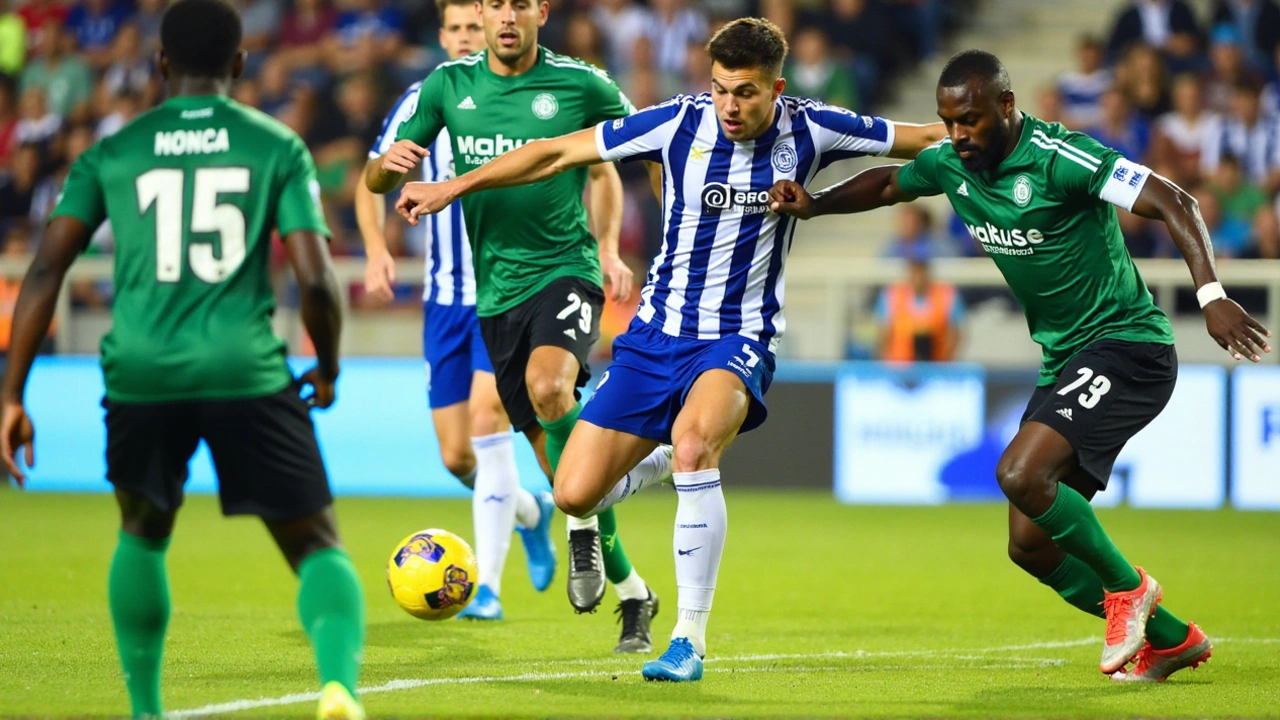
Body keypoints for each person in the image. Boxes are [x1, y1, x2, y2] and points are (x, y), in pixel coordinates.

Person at [393, 16, 946, 681]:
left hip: (738, 336)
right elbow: (555, 153)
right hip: (655, 338)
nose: (730, 107)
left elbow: (924, 139)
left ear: (777, 86)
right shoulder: (676, 122)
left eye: (745, 92)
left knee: (696, 448)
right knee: (573, 494)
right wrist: (454, 185)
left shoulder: (814, 126)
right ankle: (653, 463)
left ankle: (688, 638)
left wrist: (1011, 142)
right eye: (720, 90)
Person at [770, 49, 1272, 683]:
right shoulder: (954, 162)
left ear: (1007, 107)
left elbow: (1175, 201)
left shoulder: (1062, 158)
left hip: (1128, 345)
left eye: (972, 120)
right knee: (1029, 545)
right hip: (1065, 358)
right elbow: (891, 182)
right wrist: (815, 204)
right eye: (948, 122)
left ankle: (1130, 591)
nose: (958, 135)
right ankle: (1173, 640)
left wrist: (1211, 296)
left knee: (1017, 472)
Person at [0, 1, 367, 717]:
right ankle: (337, 690)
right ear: (239, 65)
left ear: (160, 64)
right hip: (245, 370)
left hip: (140, 374)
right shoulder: (275, 146)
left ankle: (145, 709)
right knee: (316, 541)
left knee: (142, 527)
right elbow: (318, 279)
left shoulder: (113, 151)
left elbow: (44, 272)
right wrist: (327, 365)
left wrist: (12, 394)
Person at [365, 0, 670, 652]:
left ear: (541, 11)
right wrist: (384, 170)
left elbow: (636, 151)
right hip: (493, 297)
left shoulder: (582, 83)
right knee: (565, 476)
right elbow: (376, 172)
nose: (506, 16)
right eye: (495, 4)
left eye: (520, 4)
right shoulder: (448, 86)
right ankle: (635, 592)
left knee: (549, 385)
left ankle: (578, 530)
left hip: (565, 270)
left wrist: (625, 244)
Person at [355, 0, 556, 623]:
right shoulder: (424, 99)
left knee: (486, 415)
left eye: (479, 25)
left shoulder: (530, 91)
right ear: (443, 36)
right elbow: (371, 179)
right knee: (455, 455)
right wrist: (375, 251)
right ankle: (530, 510)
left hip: (510, 290)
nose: (472, 35)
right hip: (445, 299)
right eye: (461, 28)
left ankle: (487, 587)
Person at [876, 248, 963, 362]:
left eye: (921, 271)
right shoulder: (891, 295)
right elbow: (883, 334)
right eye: (914, 271)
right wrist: (886, 363)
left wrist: (946, 362)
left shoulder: (947, 296)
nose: (918, 277)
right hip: (899, 367)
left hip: (936, 366)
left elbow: (956, 333)